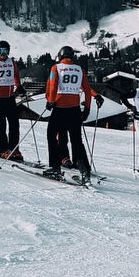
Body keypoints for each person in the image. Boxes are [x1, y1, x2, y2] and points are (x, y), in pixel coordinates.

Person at [44, 44, 96, 179]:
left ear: (60, 55)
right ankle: (84, 168)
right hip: (74, 109)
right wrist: (87, 108)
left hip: (60, 108)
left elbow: (53, 85)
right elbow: (87, 89)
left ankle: (55, 167)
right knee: (76, 140)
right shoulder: (80, 69)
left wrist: (50, 101)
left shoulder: (56, 68)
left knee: (51, 135)